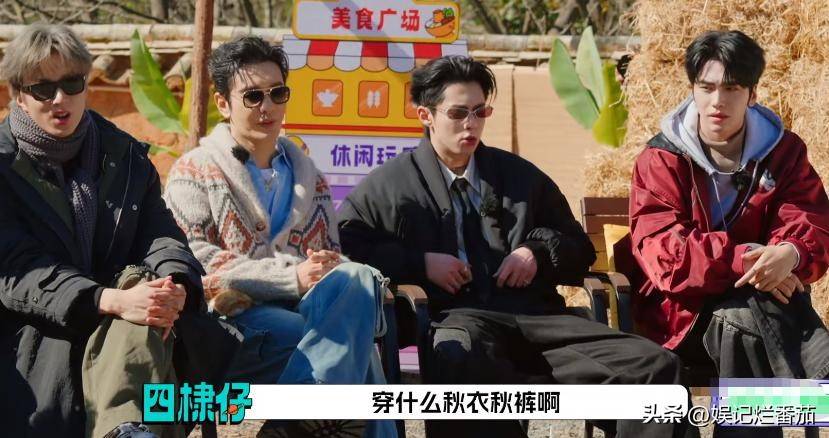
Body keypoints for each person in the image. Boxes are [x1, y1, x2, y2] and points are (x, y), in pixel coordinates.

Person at [338, 55, 690, 438]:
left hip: (540, 321)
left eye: (480, 112)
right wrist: (421, 264)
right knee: (459, 354)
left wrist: (535, 253)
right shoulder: (389, 186)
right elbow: (351, 251)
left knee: (655, 368)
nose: (471, 124)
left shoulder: (519, 176)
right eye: (458, 113)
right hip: (457, 320)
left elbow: (577, 247)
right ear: (426, 115)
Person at [163, 35, 395, 438]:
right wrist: (290, 277)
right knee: (351, 351)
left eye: (277, 93)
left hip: (307, 313)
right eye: (252, 96)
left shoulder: (312, 178)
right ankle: (293, 426)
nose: (267, 106)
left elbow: (328, 258)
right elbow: (193, 260)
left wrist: (326, 268)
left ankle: (294, 423)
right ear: (223, 104)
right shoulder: (193, 171)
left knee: (355, 277)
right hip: (232, 324)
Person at [0, 24, 213, 438]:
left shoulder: (125, 154)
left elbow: (159, 234)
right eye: (43, 88)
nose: (60, 99)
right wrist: (107, 300)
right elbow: (16, 269)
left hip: (129, 322)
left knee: (150, 296)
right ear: (19, 95)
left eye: (71, 83)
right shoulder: (3, 166)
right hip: (32, 332)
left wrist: (174, 285)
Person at [630, 30, 829, 437]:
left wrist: (790, 253)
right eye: (706, 88)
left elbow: (810, 217)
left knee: (740, 320)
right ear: (692, 89)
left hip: (759, 303)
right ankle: (820, 366)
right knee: (742, 322)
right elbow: (666, 254)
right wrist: (749, 259)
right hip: (680, 315)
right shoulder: (661, 159)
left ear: (752, 94)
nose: (717, 101)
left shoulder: (783, 151)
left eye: (732, 88)